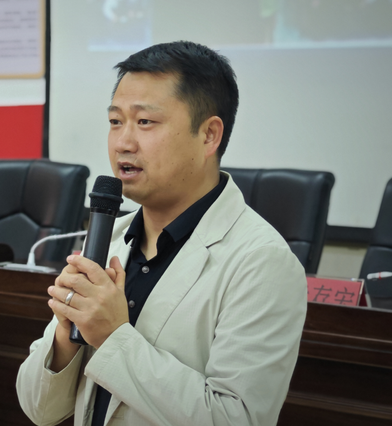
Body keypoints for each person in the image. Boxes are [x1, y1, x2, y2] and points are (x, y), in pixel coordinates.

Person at [16, 40, 307, 426]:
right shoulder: (108, 238)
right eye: (115, 121)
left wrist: (112, 337)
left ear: (209, 135)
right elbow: (39, 410)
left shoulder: (262, 262)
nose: (123, 142)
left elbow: (235, 418)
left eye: (145, 122)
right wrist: (64, 339)